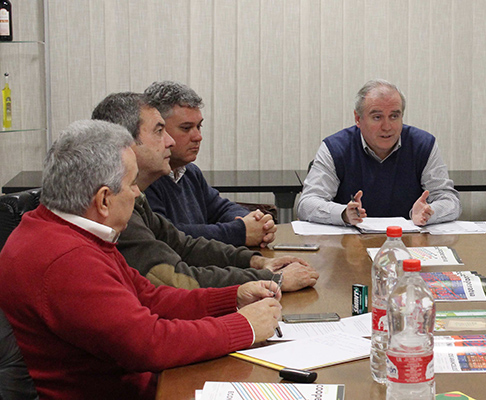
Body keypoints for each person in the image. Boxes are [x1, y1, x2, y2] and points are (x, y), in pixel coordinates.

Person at [0, 120, 282, 399]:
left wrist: (233, 298)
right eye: (132, 183)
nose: (138, 193)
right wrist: (243, 326)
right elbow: (149, 344)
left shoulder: (67, 230)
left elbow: (150, 297)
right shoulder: (67, 259)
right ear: (103, 200)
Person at [91, 92, 318, 291]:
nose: (169, 141)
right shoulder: (114, 206)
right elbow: (178, 279)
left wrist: (255, 262)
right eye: (160, 131)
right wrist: (271, 279)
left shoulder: (137, 195)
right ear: (125, 142)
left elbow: (183, 244)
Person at [297, 79, 461, 226]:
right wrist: (343, 214)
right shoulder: (336, 148)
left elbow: (450, 200)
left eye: (394, 116)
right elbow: (307, 203)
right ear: (358, 119)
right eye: (377, 117)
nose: (387, 126)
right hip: (350, 247)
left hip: (408, 244)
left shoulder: (423, 145)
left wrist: (429, 213)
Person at [143, 81, 276, 248]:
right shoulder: (146, 178)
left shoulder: (190, 173)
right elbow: (169, 236)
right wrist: (240, 232)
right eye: (186, 128)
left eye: (199, 126)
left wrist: (255, 222)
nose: (198, 136)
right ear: (159, 130)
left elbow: (220, 209)